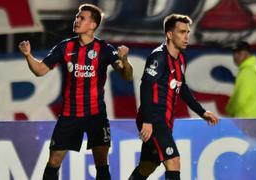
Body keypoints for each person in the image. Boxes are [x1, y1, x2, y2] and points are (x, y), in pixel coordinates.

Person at [19, 4, 133, 180]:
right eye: (76, 17)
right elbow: (40, 70)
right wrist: (28, 55)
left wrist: (124, 61)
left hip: (96, 115)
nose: (76, 20)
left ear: (93, 25)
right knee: (53, 163)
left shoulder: (103, 49)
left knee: (102, 165)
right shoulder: (65, 47)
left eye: (82, 18)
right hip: (69, 115)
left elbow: (126, 75)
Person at [128, 14, 219, 180]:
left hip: (164, 120)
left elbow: (182, 87)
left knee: (148, 165)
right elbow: (146, 86)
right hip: (154, 119)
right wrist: (148, 121)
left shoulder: (180, 59)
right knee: (173, 161)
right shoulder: (158, 57)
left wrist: (202, 112)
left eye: (188, 32)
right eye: (182, 32)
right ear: (169, 34)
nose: (186, 37)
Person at [226, 41, 256, 118]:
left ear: (247, 54)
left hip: (246, 121)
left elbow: (239, 99)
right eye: (234, 53)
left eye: (239, 53)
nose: (235, 56)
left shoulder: (246, 71)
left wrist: (229, 110)